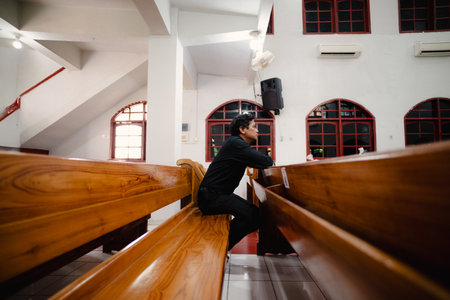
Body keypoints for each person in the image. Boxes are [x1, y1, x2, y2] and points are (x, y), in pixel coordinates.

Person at [198, 113, 273, 251]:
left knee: (253, 213)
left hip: (216, 195)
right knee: (254, 215)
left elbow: (260, 161)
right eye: (254, 127)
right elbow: (266, 161)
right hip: (212, 197)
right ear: (242, 130)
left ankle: (220, 245)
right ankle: (219, 247)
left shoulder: (235, 144)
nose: (257, 130)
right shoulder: (236, 143)